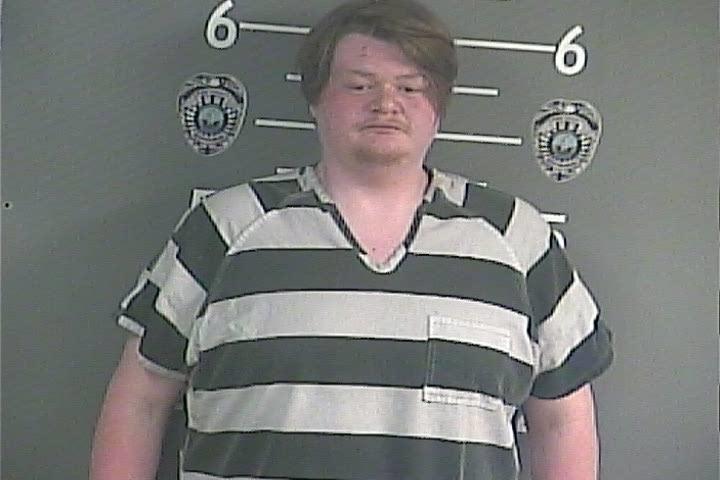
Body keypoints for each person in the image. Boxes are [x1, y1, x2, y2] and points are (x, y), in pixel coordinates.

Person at [90, 0, 613, 479]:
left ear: (439, 107)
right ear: (316, 99)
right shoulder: (224, 229)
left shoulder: (518, 239)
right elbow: (142, 397)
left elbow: (561, 420)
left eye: (411, 87)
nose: (386, 103)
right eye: (359, 85)